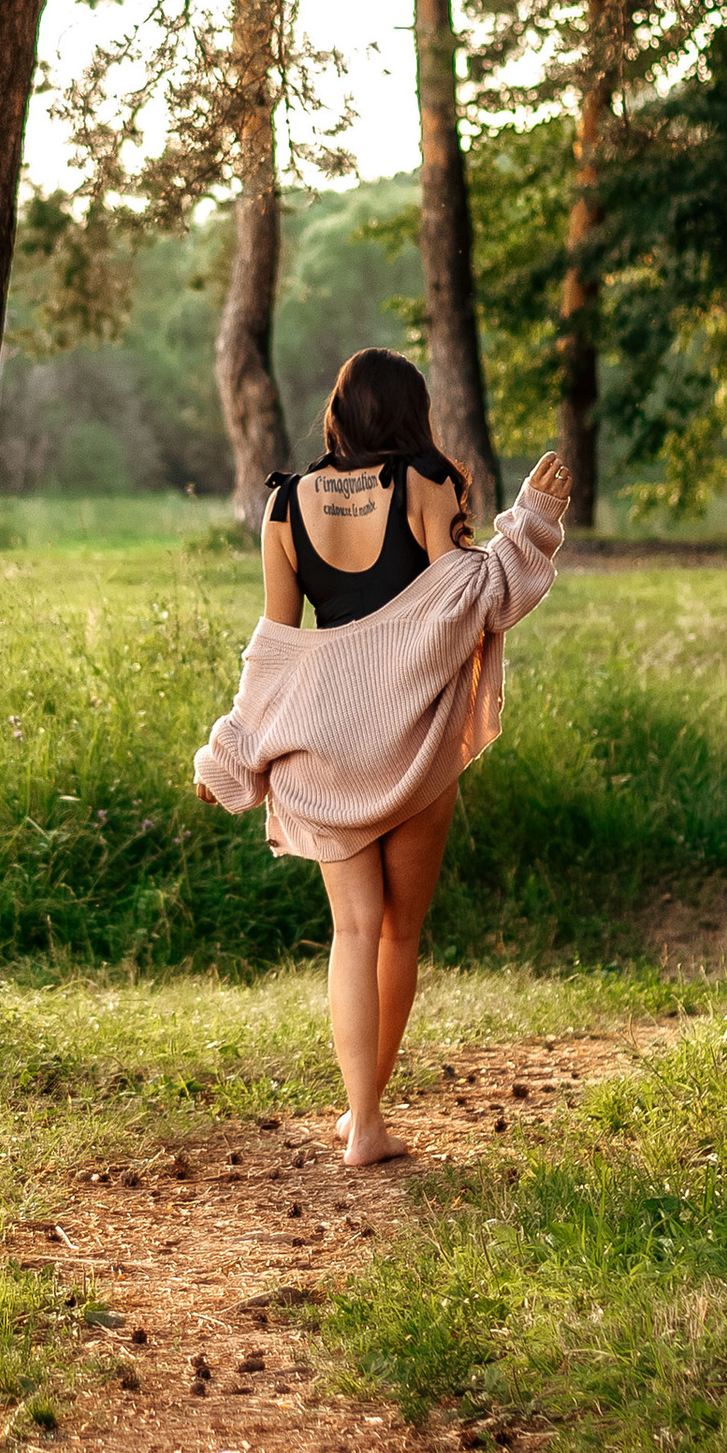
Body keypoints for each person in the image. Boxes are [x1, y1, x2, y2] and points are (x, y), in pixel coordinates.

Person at [192, 347, 572, 1167]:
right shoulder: (429, 482)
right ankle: (368, 1120)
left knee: (353, 931)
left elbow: (276, 649)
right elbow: (474, 600)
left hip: (320, 750)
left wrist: (230, 753)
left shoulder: (285, 502)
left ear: (337, 414)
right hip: (410, 740)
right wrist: (534, 520)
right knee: (399, 934)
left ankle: (360, 1119)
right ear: (411, 412)